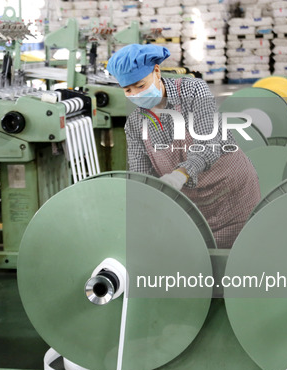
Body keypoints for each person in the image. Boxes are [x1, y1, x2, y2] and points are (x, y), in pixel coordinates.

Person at [106, 44, 260, 248]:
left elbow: (210, 142)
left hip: (233, 197)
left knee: (238, 261)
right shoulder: (135, 124)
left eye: (140, 86)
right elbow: (140, 175)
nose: (135, 94)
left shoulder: (193, 90)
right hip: (192, 209)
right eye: (128, 90)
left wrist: (181, 174)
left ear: (157, 72)